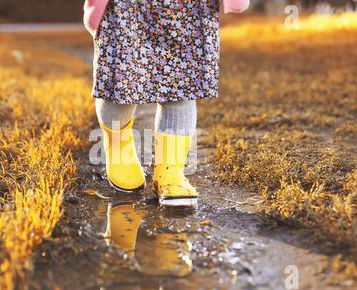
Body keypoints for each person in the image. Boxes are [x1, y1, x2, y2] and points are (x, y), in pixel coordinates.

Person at [84, 0, 250, 206]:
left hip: (189, 9)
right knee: (120, 85)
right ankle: (118, 144)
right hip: (127, 7)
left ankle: (170, 171)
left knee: (182, 87)